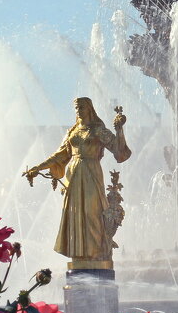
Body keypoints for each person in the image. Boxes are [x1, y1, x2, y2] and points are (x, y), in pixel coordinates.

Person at [24, 98, 131, 265]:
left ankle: (96, 251)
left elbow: (118, 151)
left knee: (92, 211)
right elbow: (59, 155)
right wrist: (38, 167)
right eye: (76, 108)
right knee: (74, 212)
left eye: (81, 107)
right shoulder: (72, 131)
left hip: (91, 172)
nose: (78, 110)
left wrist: (119, 130)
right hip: (73, 175)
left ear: (89, 109)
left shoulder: (97, 130)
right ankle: (79, 254)